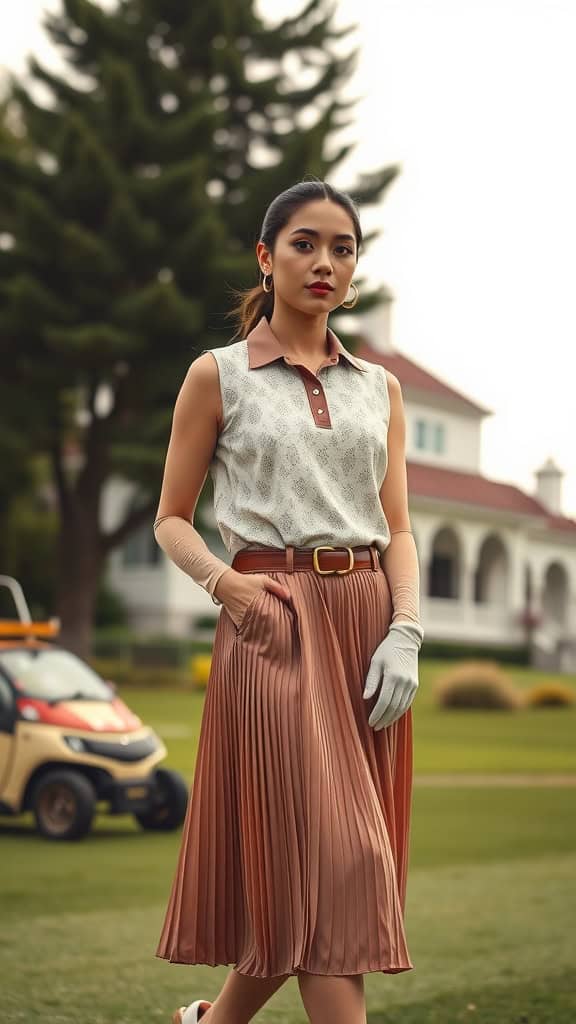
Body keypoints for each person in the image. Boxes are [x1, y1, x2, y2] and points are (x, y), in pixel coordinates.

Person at [153, 179, 424, 1024]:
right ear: (267, 260)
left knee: (315, 876)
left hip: (368, 628)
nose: (326, 262)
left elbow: (401, 528)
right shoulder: (218, 375)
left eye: (343, 248)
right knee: (337, 865)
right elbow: (171, 520)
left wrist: (407, 629)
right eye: (306, 244)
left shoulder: (380, 388)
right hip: (273, 626)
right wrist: (230, 590)